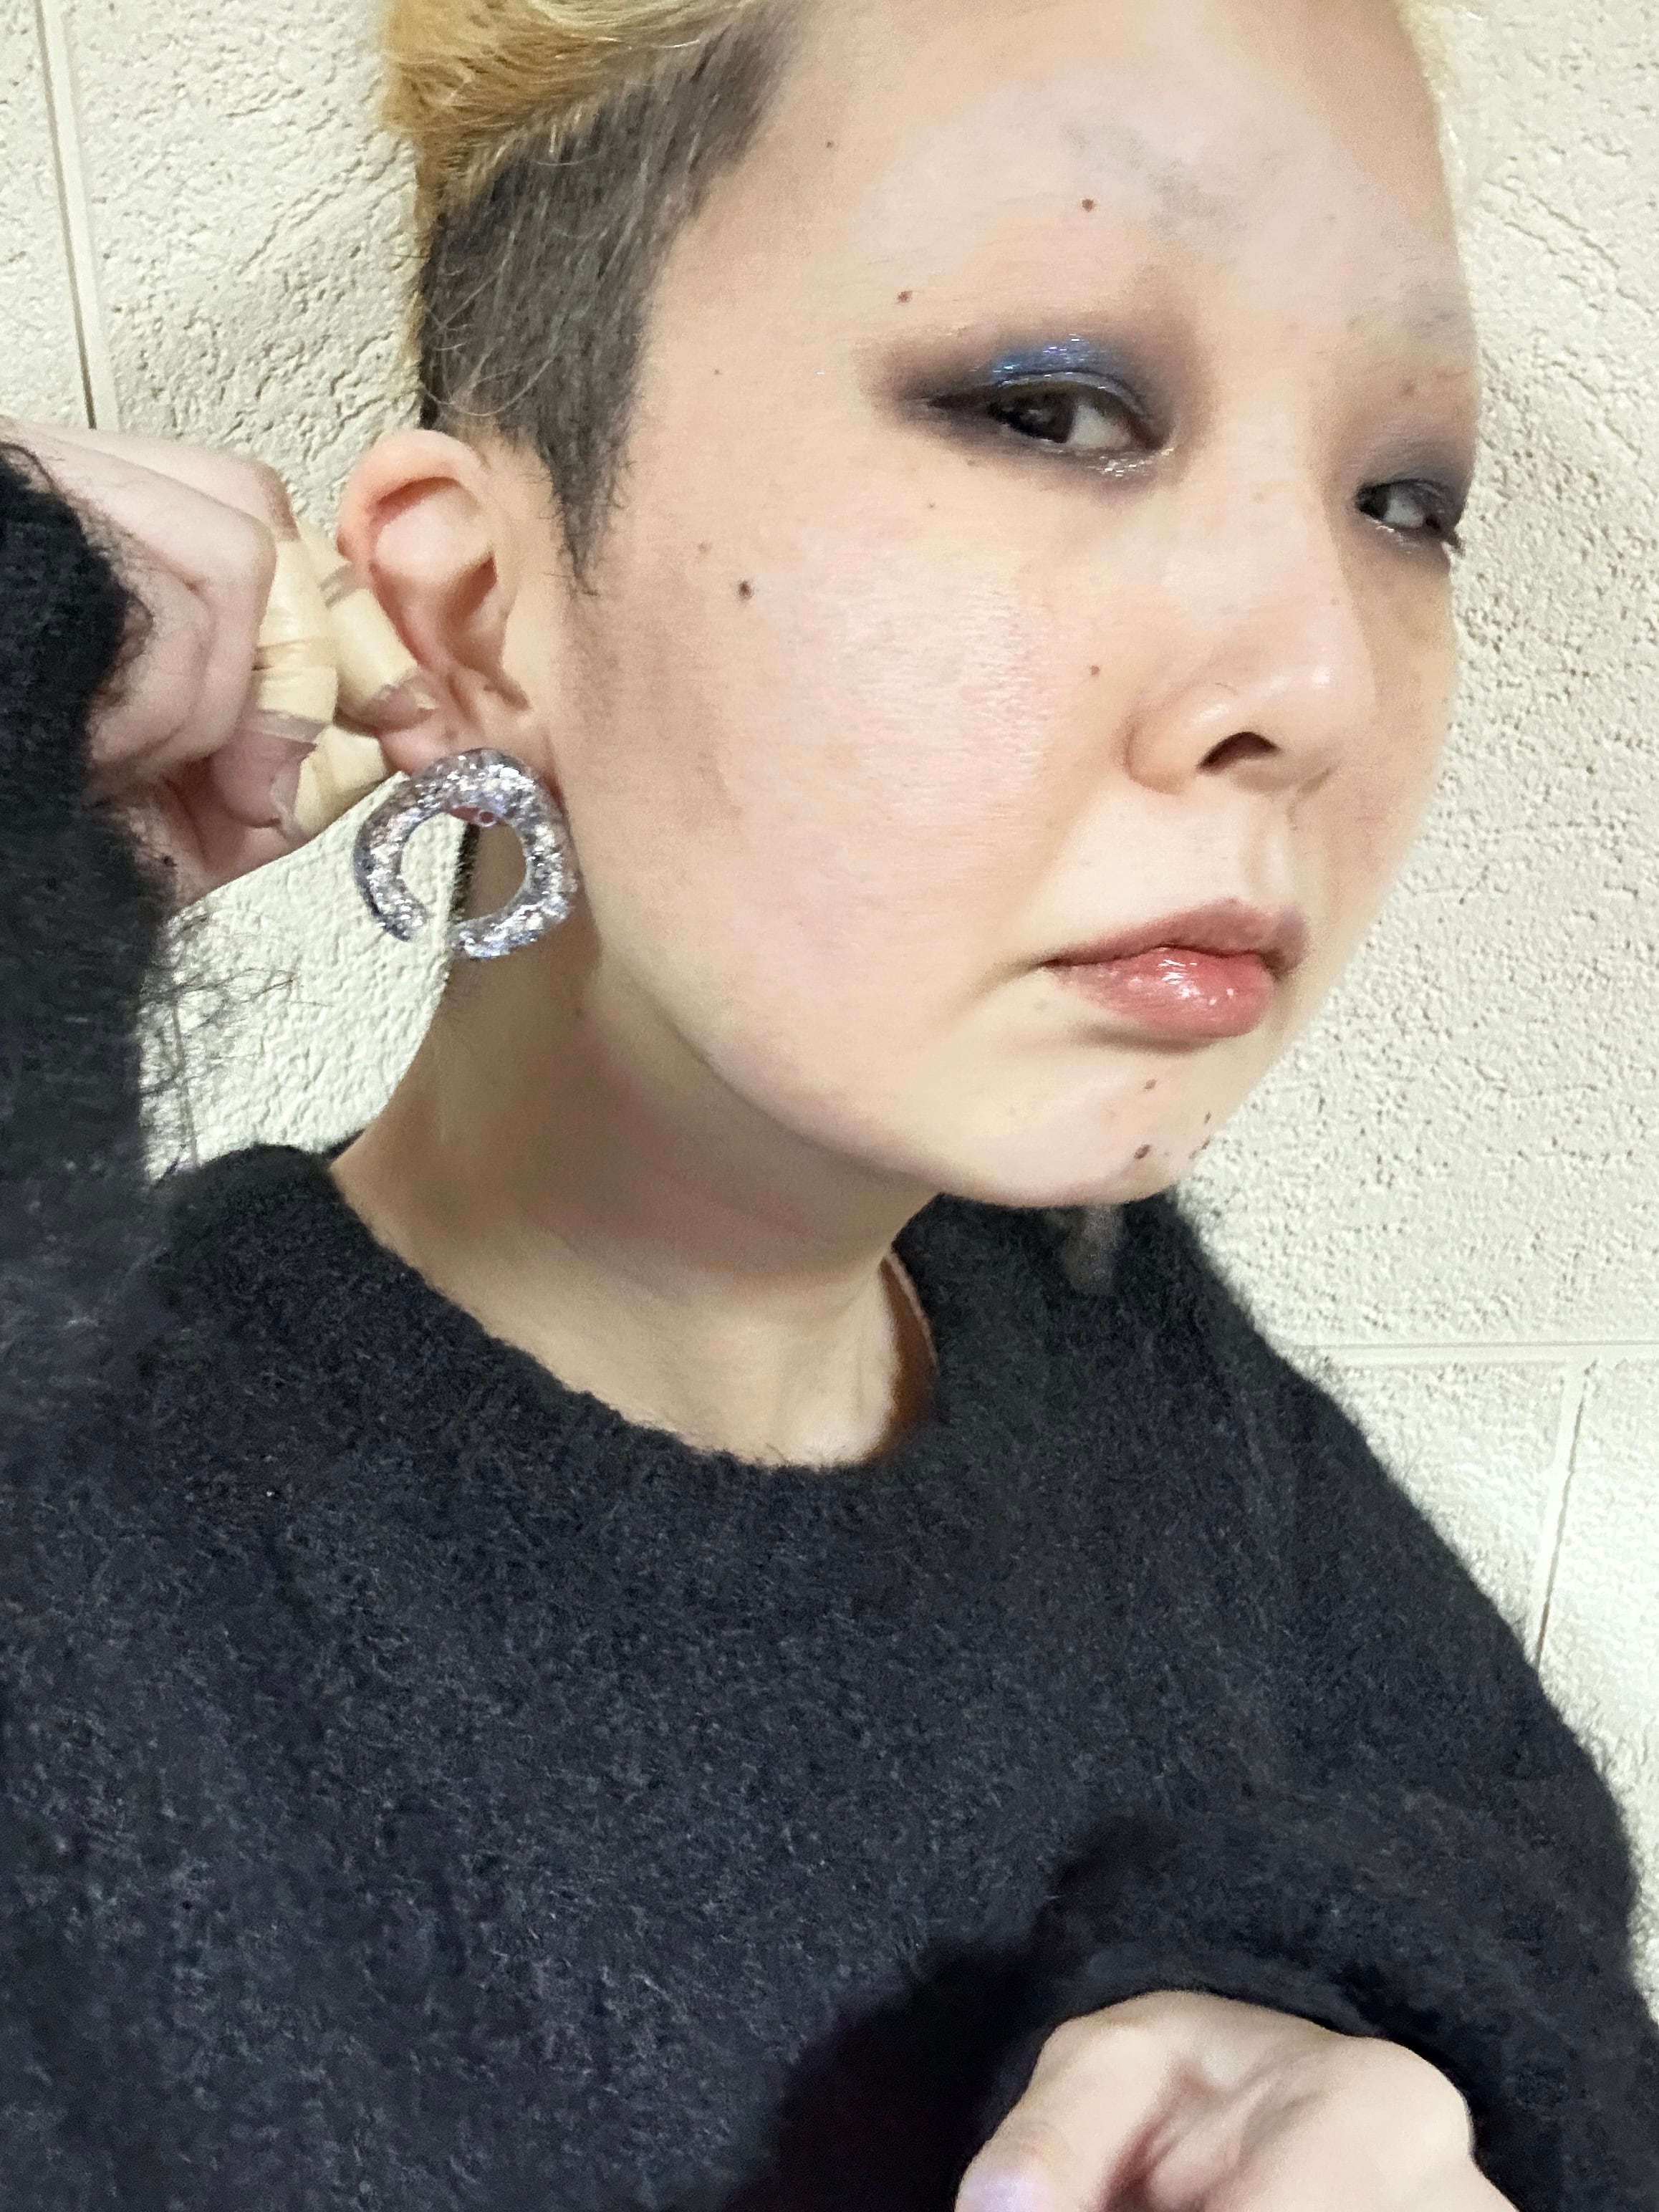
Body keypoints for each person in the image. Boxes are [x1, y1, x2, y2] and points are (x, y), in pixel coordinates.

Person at [1, 0, 1655, 2203]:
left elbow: (1481, 1846)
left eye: (1401, 499)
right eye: (1053, 407)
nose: (1318, 684)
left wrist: (1318, 2016)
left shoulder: (1124, 1349)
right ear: (477, 612)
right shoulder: (79, 1551)